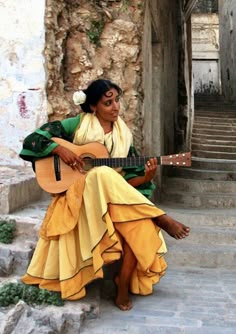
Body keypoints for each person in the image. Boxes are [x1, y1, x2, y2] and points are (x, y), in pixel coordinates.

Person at [19, 79, 190, 311]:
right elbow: (33, 141)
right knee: (101, 172)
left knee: (139, 223)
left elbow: (127, 183)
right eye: (108, 102)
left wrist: (146, 178)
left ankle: (122, 284)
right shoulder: (76, 125)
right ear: (93, 107)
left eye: (117, 100)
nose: (116, 107)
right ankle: (160, 216)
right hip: (80, 197)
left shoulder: (124, 136)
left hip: (112, 198)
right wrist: (61, 150)